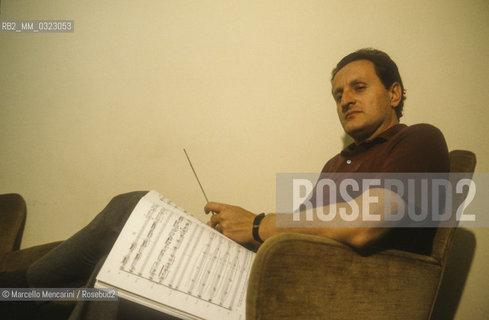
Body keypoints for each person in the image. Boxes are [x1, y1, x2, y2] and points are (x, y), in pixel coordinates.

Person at [1, 48, 449, 319]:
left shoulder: (420, 139)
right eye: (338, 94)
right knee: (130, 240)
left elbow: (364, 225)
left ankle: (15, 292)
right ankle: (20, 295)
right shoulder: (337, 162)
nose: (346, 99)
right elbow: (304, 233)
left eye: (358, 87)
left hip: (324, 298)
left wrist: (255, 225)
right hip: (278, 275)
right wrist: (240, 231)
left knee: (131, 210)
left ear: (393, 93)